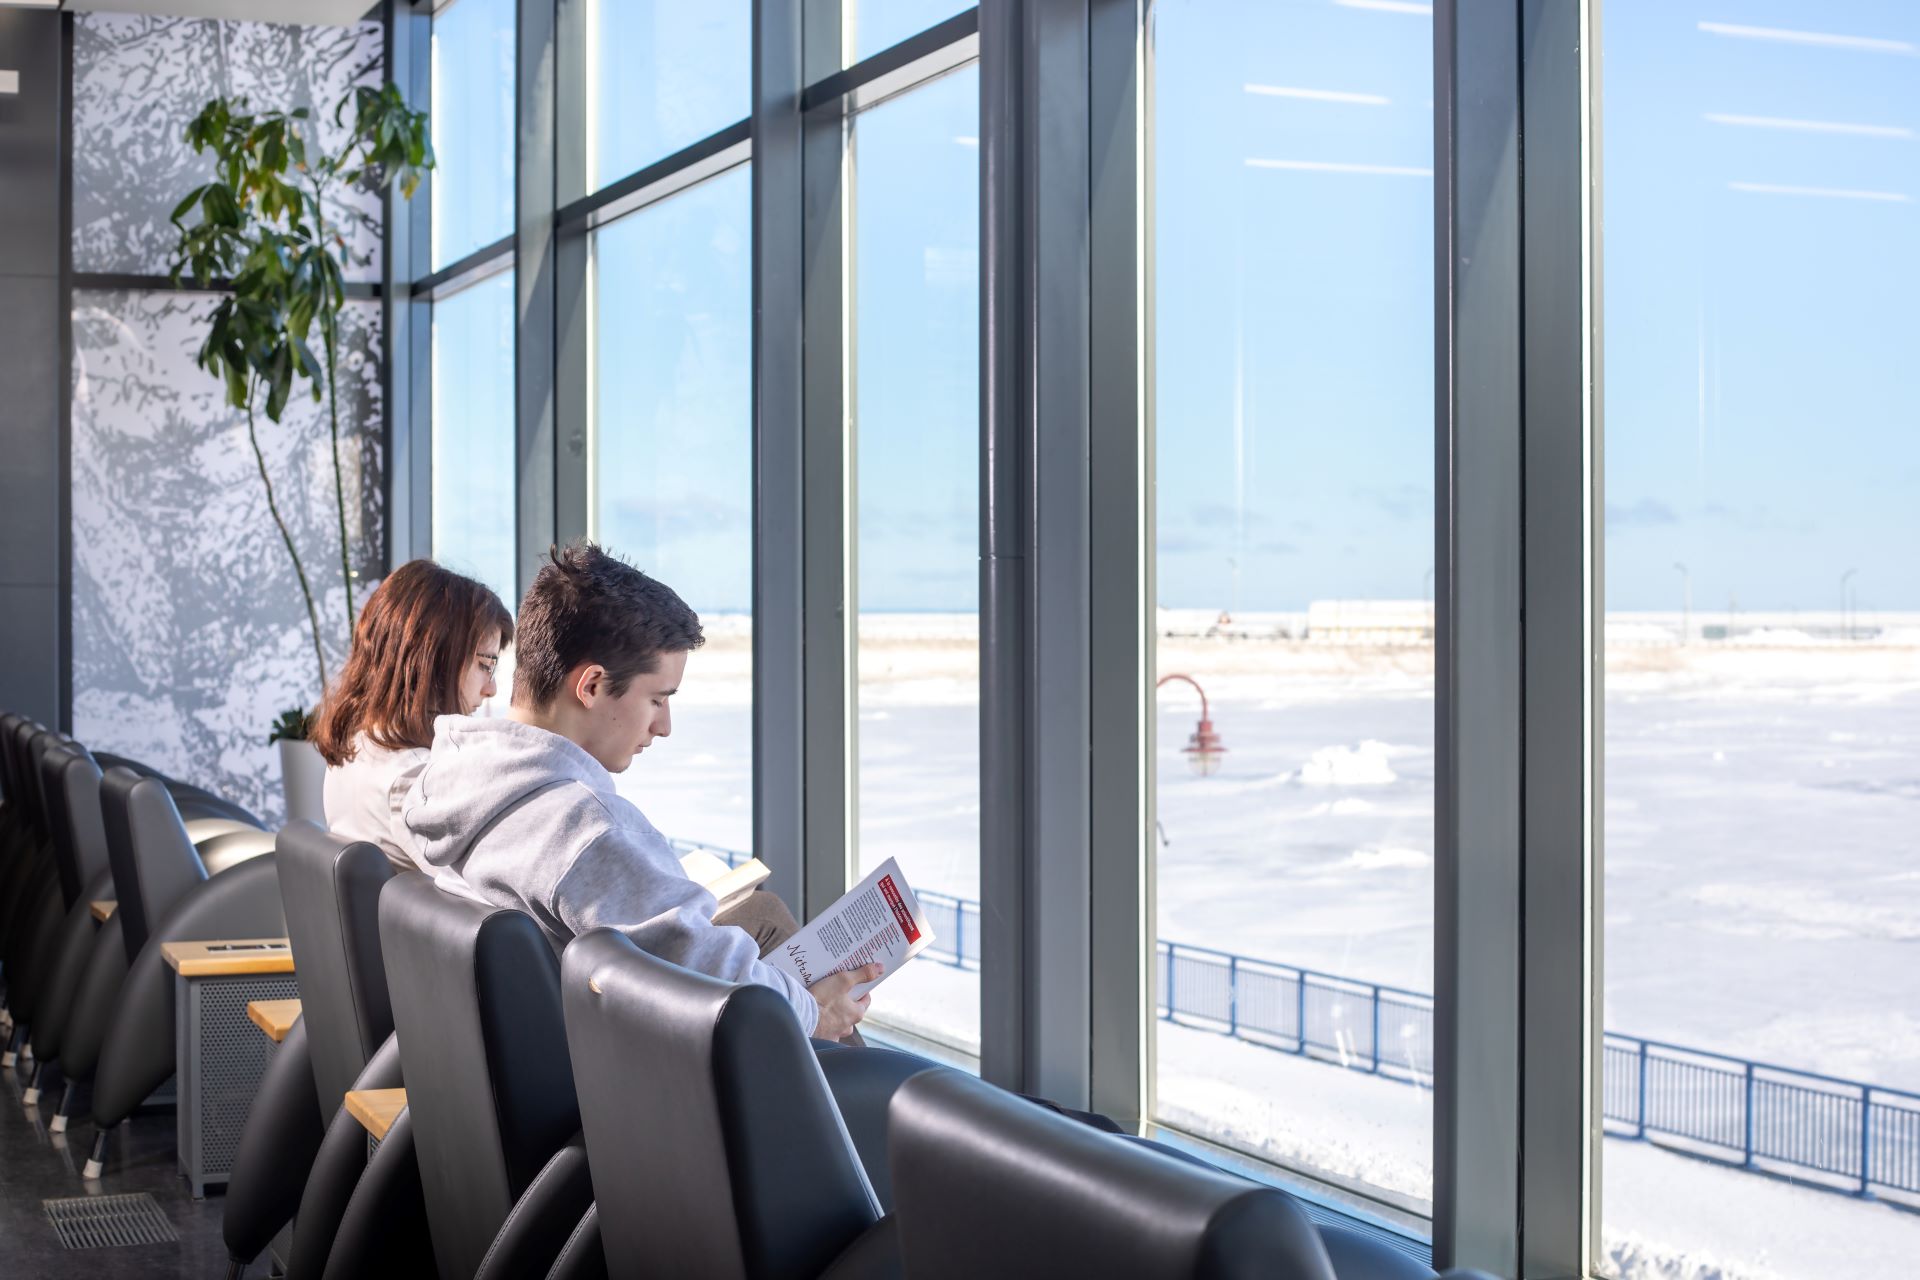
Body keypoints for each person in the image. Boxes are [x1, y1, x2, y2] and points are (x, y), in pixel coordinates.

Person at [392, 541, 875, 1043]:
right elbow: (707, 970)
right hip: (621, 1085)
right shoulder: (581, 827)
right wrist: (815, 1017)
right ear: (593, 685)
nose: (664, 727)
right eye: (657, 699)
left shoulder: (450, 779)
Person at [311, 560, 514, 875]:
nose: (491, 689)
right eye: (486, 665)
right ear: (436, 657)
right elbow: (494, 896)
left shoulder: (357, 746)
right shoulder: (415, 782)